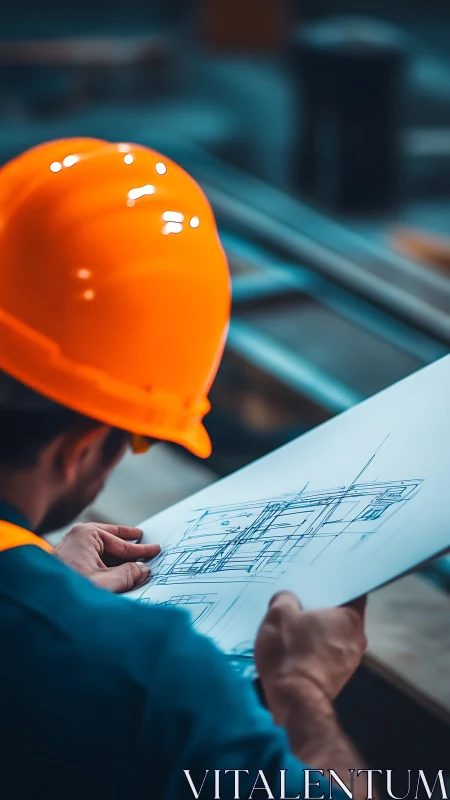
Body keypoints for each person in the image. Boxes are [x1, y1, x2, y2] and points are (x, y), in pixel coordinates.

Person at [0, 138, 367, 800]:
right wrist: (302, 694)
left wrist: (38, 585)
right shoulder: (152, 681)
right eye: (136, 438)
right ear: (76, 448)